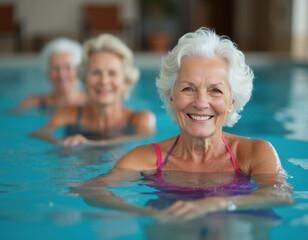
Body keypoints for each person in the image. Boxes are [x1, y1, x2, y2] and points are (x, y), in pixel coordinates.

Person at [72, 28, 294, 221]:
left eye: (215, 90)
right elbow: (89, 188)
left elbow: (281, 195)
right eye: (188, 88)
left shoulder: (254, 153)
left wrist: (217, 204)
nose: (200, 102)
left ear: (231, 102)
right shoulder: (147, 159)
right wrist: (143, 213)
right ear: (171, 97)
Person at [29, 34, 156, 146]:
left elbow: (143, 136)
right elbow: (38, 134)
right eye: (96, 72)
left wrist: (94, 144)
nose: (104, 81)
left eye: (112, 73)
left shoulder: (140, 119)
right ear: (84, 80)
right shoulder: (67, 115)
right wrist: (62, 142)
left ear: (126, 82)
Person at [16, 38, 87, 111]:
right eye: (55, 68)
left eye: (68, 67)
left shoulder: (92, 103)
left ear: (79, 70)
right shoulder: (31, 103)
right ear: (47, 72)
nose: (61, 75)